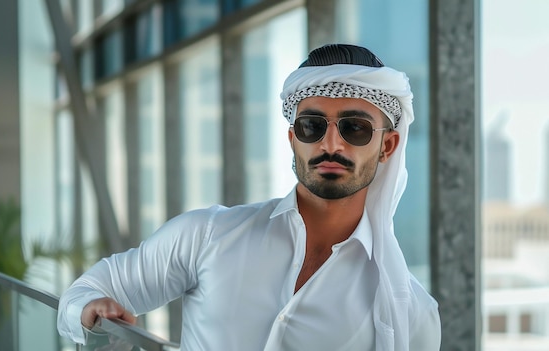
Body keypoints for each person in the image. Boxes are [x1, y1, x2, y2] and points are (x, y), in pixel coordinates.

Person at [57, 43, 441, 350]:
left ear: (388, 145)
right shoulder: (207, 235)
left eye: (354, 128)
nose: (330, 144)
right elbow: (87, 291)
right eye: (312, 126)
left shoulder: (410, 313)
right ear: (293, 139)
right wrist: (92, 309)